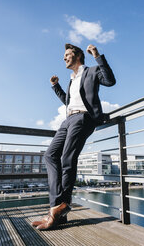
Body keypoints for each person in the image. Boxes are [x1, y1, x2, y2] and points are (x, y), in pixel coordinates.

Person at [31, 43, 116, 230]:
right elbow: (68, 102)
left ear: (77, 56)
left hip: (83, 118)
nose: (64, 58)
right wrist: (56, 86)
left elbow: (110, 81)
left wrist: (97, 55)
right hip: (68, 119)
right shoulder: (71, 79)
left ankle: (56, 211)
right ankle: (58, 208)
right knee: (50, 155)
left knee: (67, 159)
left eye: (67, 55)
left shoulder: (91, 71)